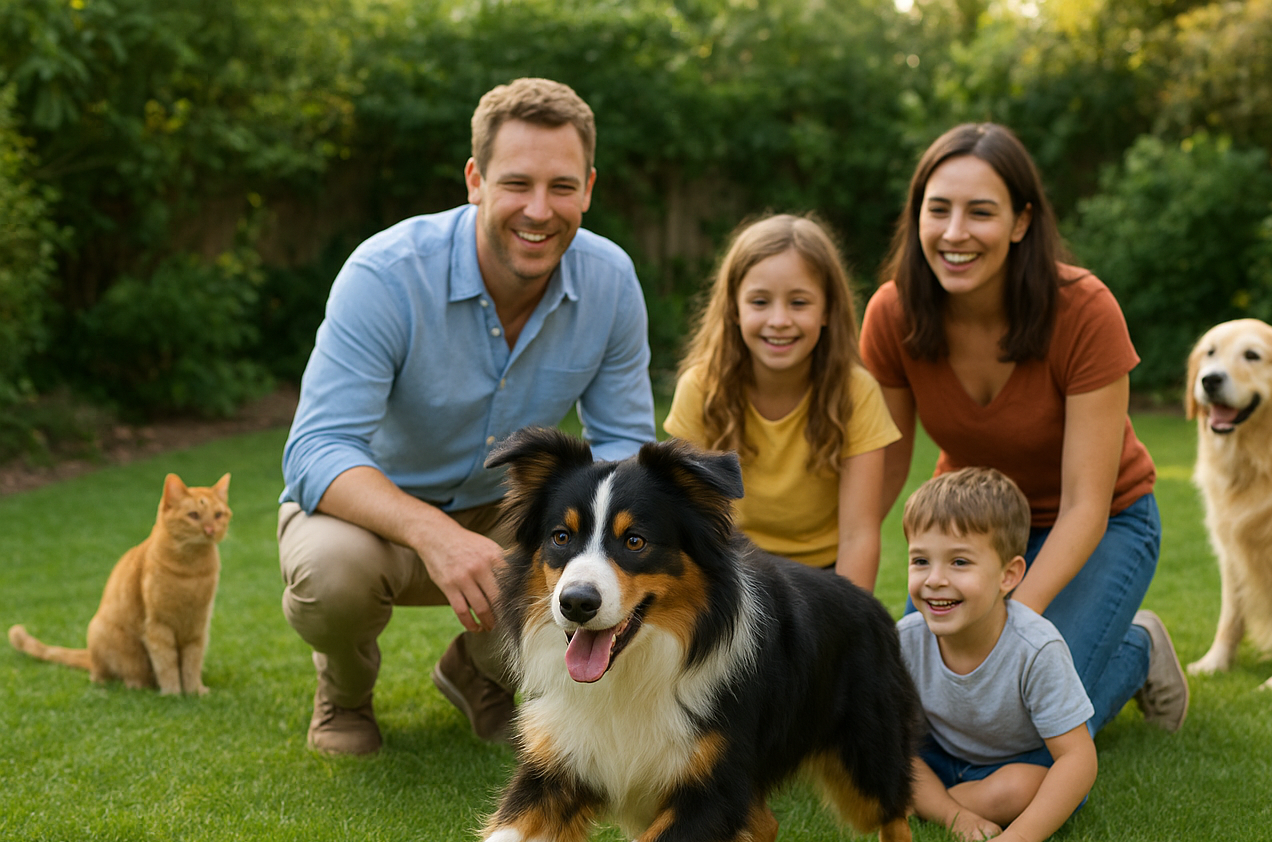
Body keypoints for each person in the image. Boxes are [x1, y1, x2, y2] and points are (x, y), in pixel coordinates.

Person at [278, 78, 654, 756]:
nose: (539, 210)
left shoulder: (611, 280)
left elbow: (623, 445)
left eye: (562, 187)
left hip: (505, 511)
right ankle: (345, 690)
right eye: (517, 183)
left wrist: (590, 552)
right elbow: (316, 449)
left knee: (579, 570)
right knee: (331, 578)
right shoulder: (386, 274)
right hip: (370, 512)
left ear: (589, 188)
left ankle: (477, 672)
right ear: (475, 180)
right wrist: (432, 532)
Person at [860, 121, 1188, 741]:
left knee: (1032, 715)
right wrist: (823, 580)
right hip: (970, 526)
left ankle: (1138, 647)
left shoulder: (1084, 310)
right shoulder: (893, 313)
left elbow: (1087, 504)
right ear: (917, 217)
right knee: (919, 721)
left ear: (1020, 222)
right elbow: (883, 473)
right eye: (939, 210)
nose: (955, 234)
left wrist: (1011, 626)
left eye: (980, 212)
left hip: (1104, 521)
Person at [664, 214, 899, 590]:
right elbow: (682, 523)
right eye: (760, 301)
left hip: (824, 578)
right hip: (735, 573)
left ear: (827, 311)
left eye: (799, 302)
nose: (779, 320)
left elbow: (860, 535)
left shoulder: (857, 392)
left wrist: (850, 623)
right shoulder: (701, 388)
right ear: (734, 309)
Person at [902, 468, 1097, 842]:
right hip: (939, 755)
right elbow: (892, 745)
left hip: (1012, 764)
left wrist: (1020, 838)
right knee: (891, 760)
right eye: (921, 560)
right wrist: (956, 816)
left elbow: (1078, 759)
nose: (935, 580)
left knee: (1022, 788)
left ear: (1008, 576)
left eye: (959, 562)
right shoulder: (904, 640)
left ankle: (930, 804)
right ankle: (948, 809)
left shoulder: (1036, 648)